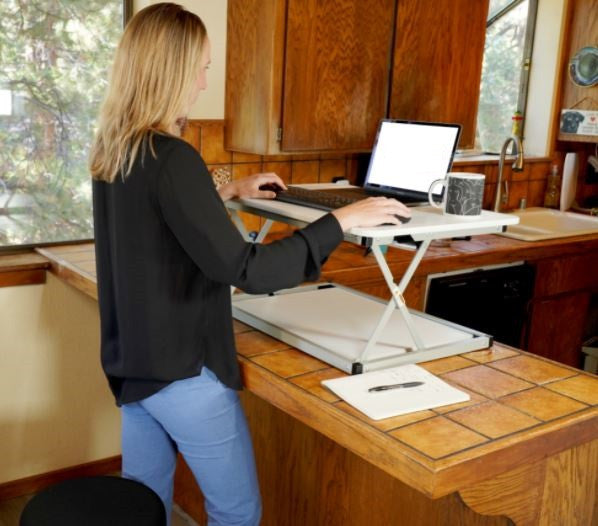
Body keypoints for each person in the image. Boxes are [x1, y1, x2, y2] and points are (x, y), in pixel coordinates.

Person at [89, 3, 410, 525]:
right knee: (236, 513)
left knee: (144, 508)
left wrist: (227, 189)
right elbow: (249, 269)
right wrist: (342, 221)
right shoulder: (173, 158)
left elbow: (161, 218)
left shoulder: (115, 150)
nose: (201, 81)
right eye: (201, 68)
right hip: (182, 376)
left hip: (133, 367)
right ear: (172, 71)